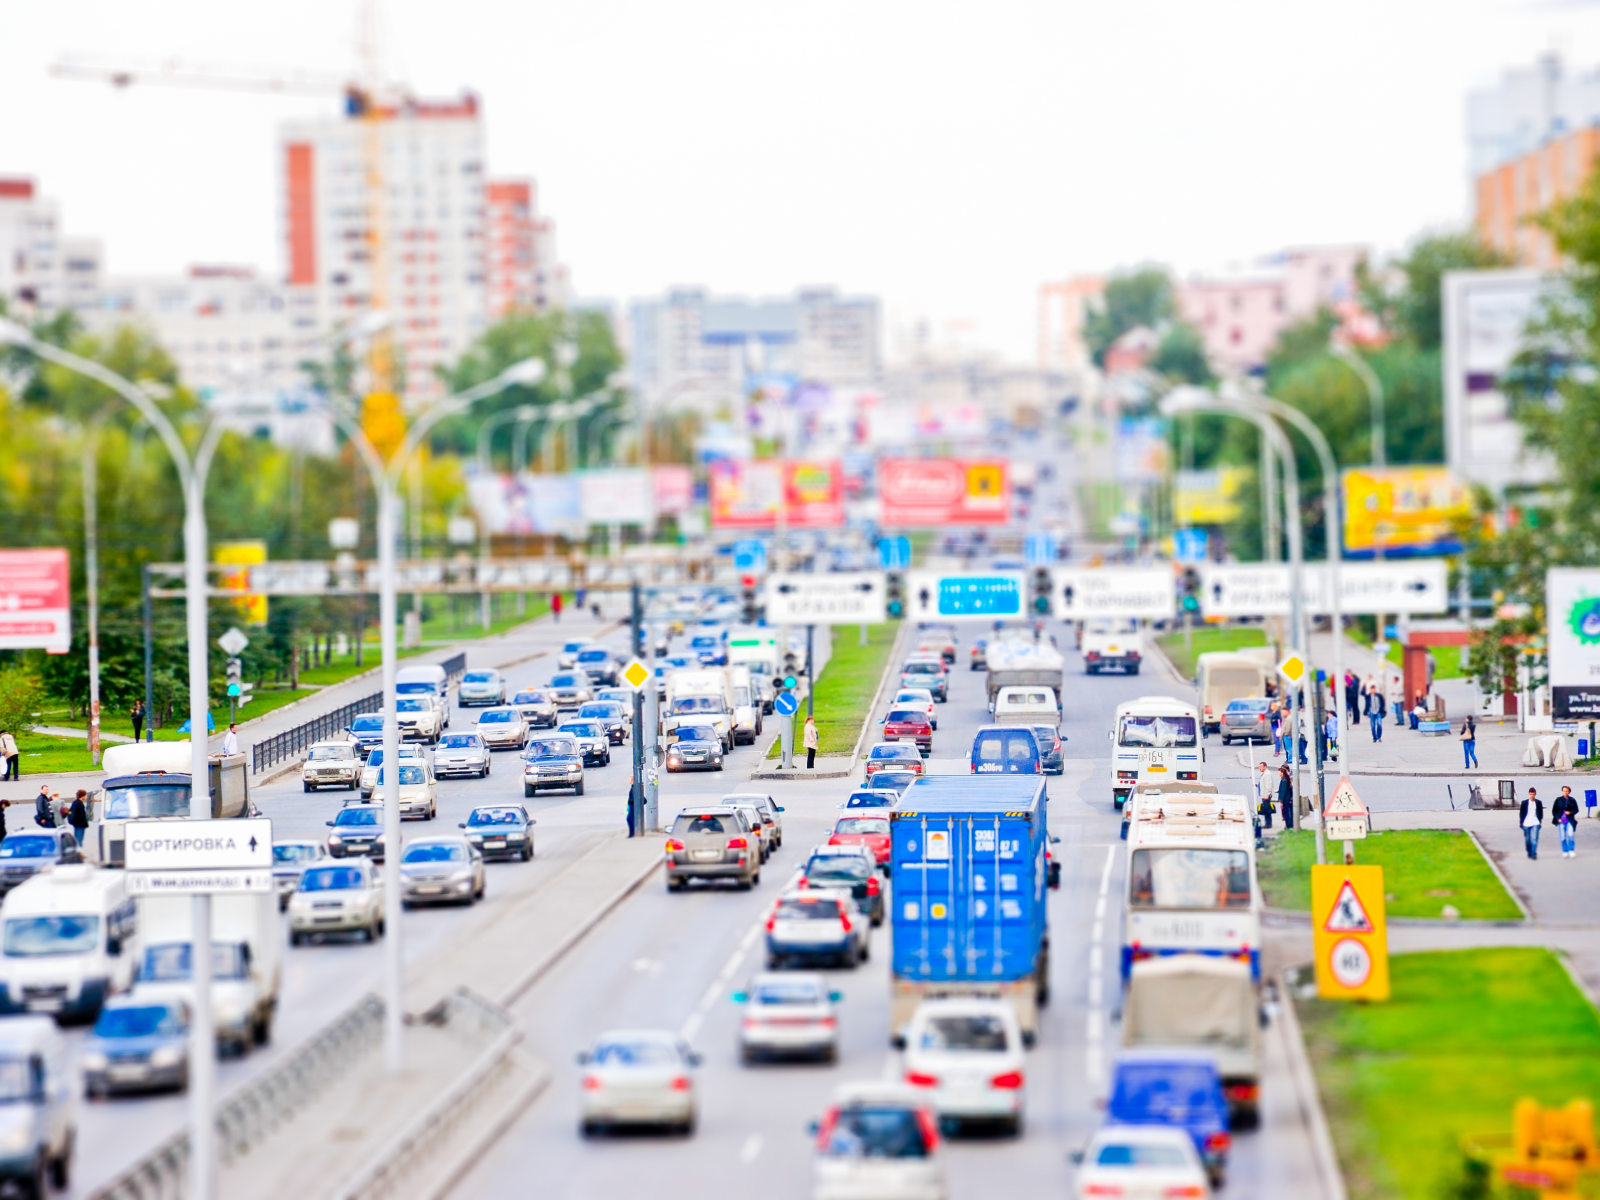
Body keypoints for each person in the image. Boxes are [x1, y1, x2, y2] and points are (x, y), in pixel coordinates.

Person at [1554, 786, 1579, 858]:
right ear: (1562, 791)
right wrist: (1557, 818)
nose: (1565, 792)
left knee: (1570, 835)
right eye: (1564, 791)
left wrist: (1570, 812)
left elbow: (1576, 810)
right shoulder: (1558, 800)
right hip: (1561, 821)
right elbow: (1554, 810)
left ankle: (1571, 850)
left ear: (1569, 792)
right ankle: (1565, 851)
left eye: (1566, 791)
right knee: (1562, 837)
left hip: (1569, 821)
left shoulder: (1572, 800)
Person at [1521, 787, 1543, 860]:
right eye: (1530, 794)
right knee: (1528, 839)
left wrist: (1540, 822)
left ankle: (1533, 853)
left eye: (1533, 794)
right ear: (1529, 794)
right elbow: (1521, 813)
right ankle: (1529, 851)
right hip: (1526, 823)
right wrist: (1521, 823)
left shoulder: (1538, 802)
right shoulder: (1524, 803)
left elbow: (1540, 813)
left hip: (1535, 822)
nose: (1532, 796)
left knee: (1534, 839)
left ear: (1535, 794)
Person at [1256, 761, 1275, 830]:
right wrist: (1258, 786)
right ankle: (1267, 823)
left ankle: (1268, 824)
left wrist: (1267, 795)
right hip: (1264, 794)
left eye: (1261, 766)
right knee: (1266, 809)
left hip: (1266, 795)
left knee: (1267, 810)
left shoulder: (1267, 774)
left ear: (1265, 766)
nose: (1259, 768)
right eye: (1259, 767)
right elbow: (1264, 784)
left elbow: (1268, 785)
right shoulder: (1265, 773)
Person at [1277, 765, 1295, 830]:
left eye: (1279, 772)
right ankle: (1290, 824)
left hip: (1285, 799)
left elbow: (1283, 791)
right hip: (1288, 798)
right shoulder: (1286, 779)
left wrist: (1281, 800)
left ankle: (1288, 825)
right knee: (1288, 812)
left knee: (1286, 813)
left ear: (1282, 772)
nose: (1278, 773)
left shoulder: (1284, 780)